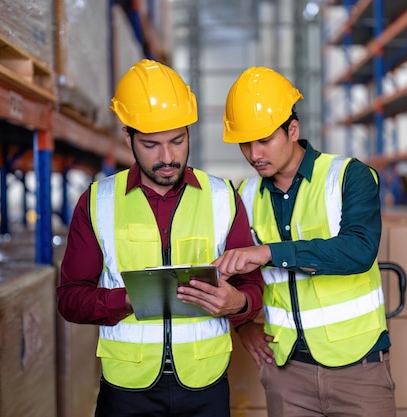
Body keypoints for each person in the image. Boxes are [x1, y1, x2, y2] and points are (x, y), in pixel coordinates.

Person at [56, 59, 264, 417]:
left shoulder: (223, 197)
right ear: (128, 136)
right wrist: (130, 300)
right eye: (151, 145)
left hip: (205, 385)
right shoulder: (97, 201)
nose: (167, 157)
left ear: (189, 132)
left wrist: (238, 304)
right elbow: (70, 299)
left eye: (177, 141)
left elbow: (253, 288)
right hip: (127, 389)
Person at [213, 66, 396, 417]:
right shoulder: (244, 195)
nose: (254, 154)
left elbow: (359, 250)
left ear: (292, 130)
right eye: (245, 144)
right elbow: (230, 271)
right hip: (286, 371)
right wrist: (241, 326)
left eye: (264, 140)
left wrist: (268, 252)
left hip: (359, 367)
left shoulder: (348, 176)